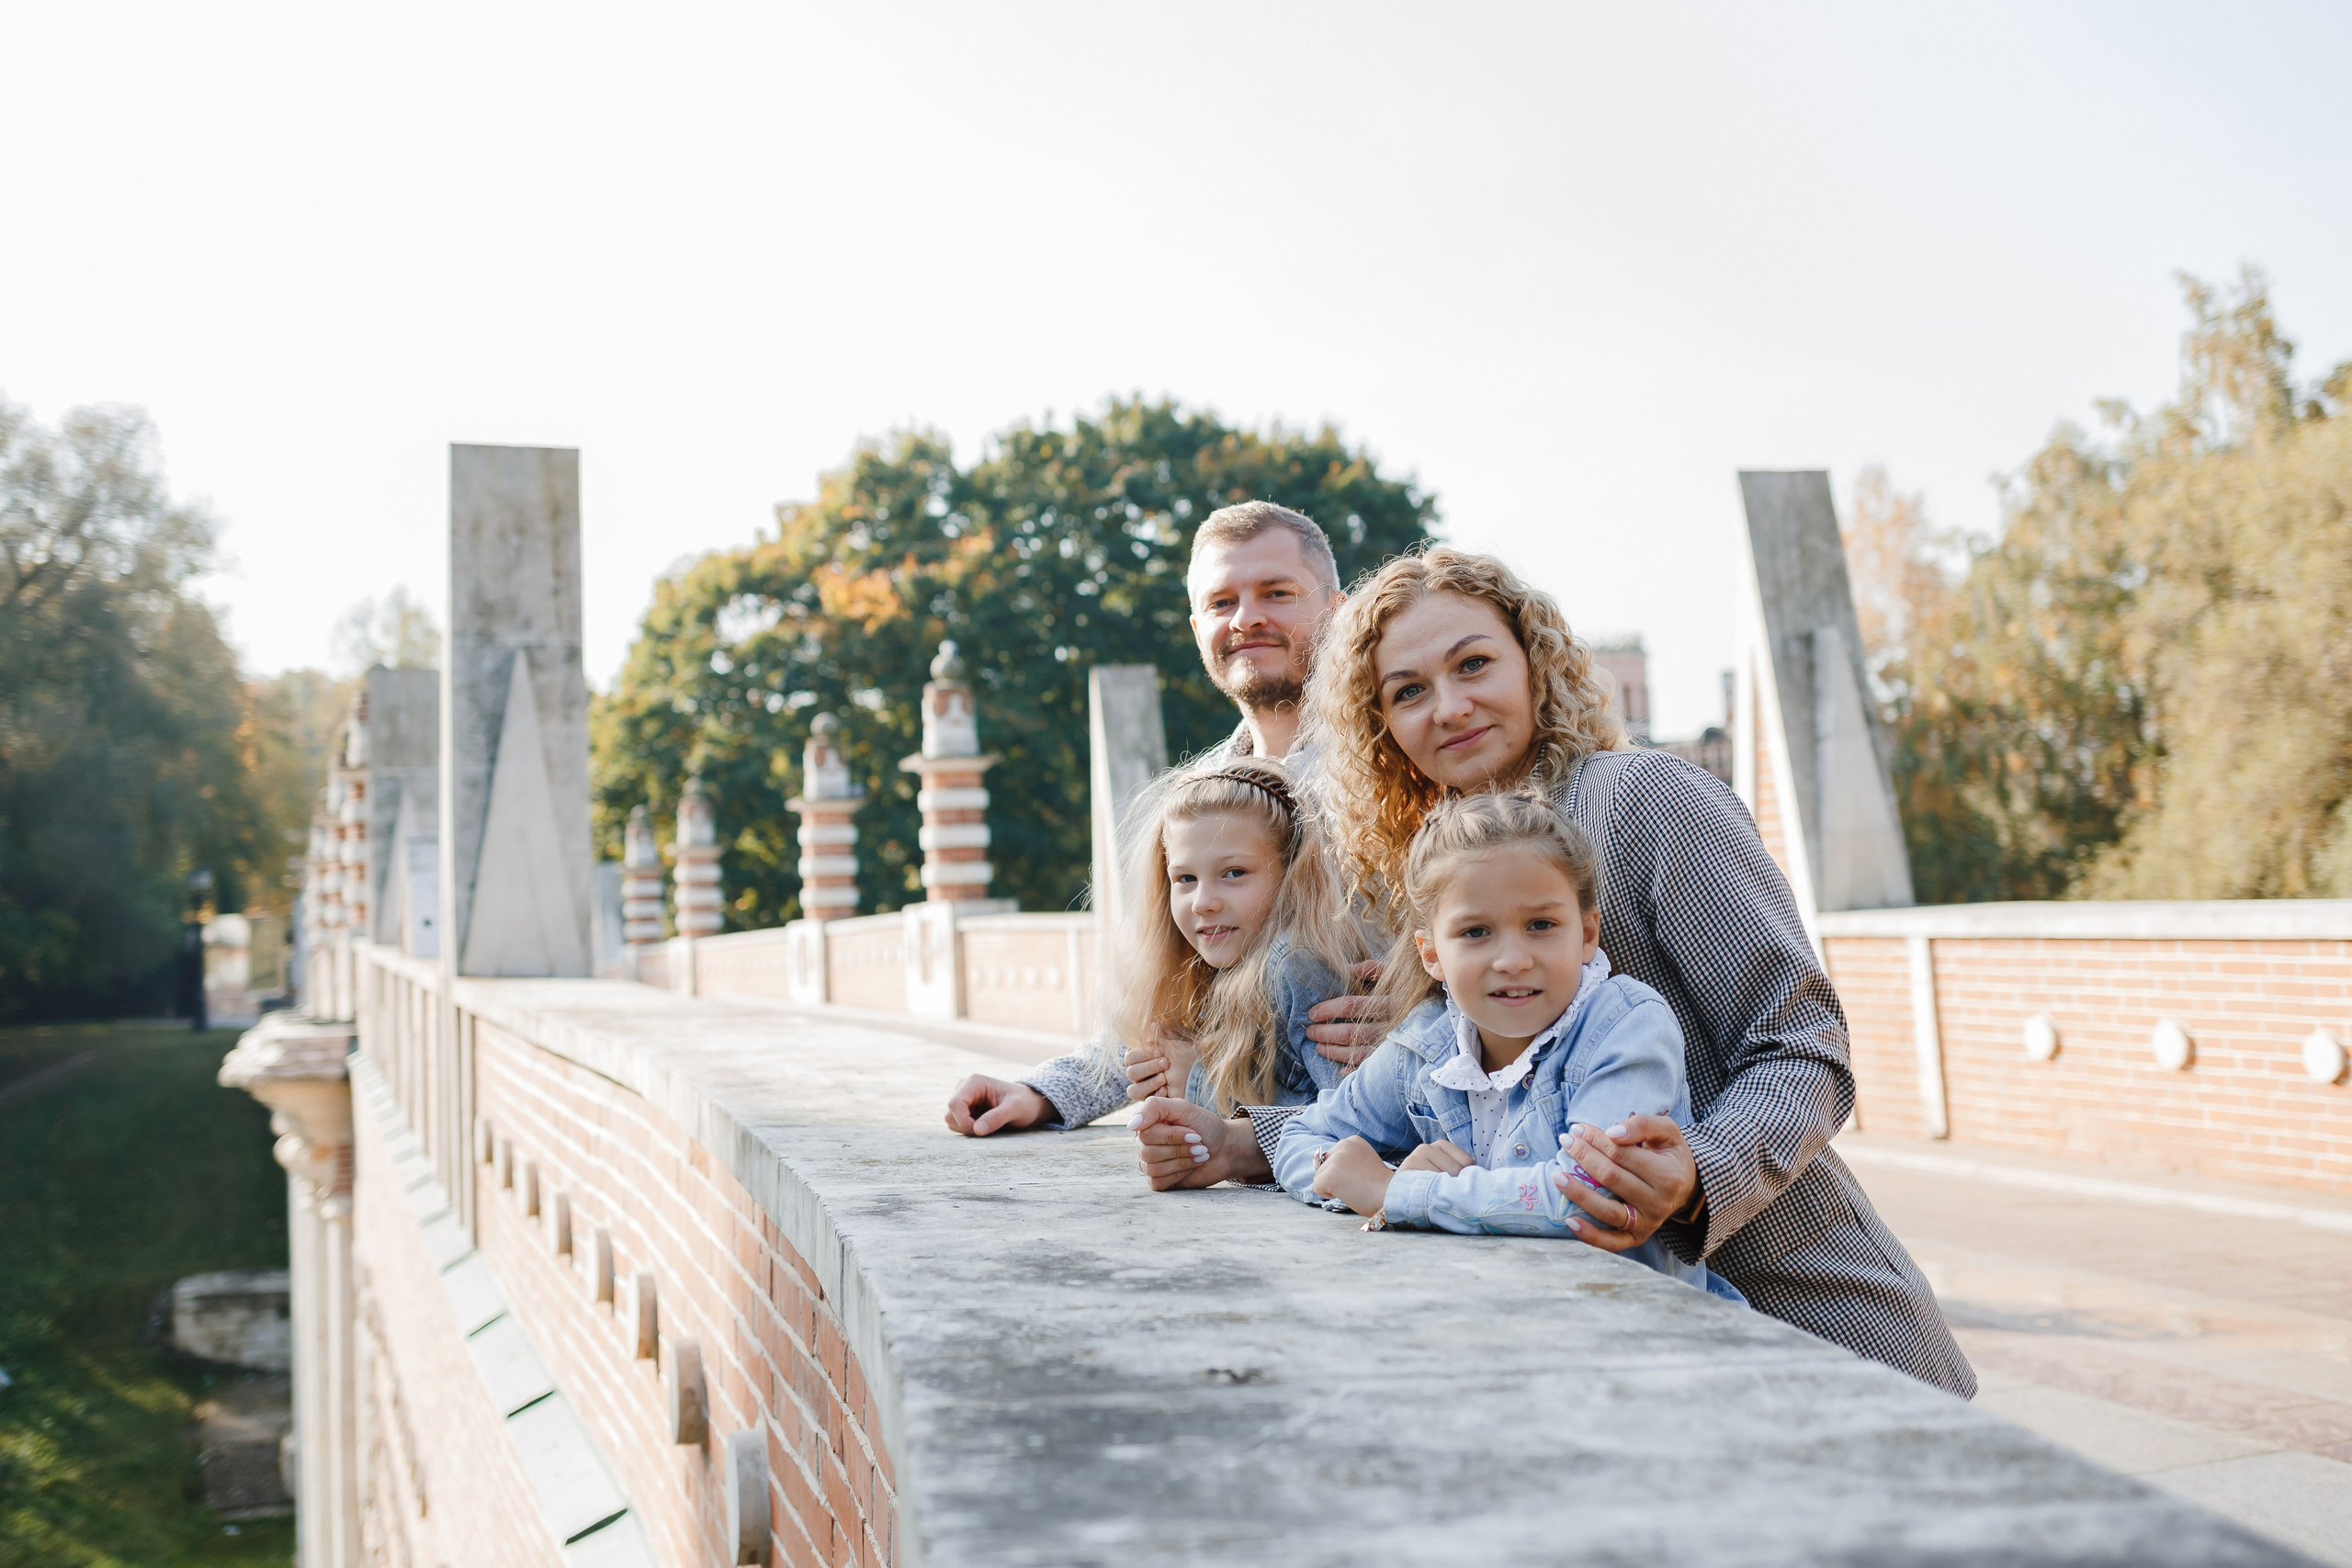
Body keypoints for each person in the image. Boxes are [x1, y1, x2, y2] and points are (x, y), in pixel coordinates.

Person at [1148, 545, 1973, 1394]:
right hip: (1601, 1363)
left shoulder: (1649, 799)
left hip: (1804, 1321)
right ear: (1379, 724)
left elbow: (1803, 1044)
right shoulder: (1427, 874)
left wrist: (1696, 1170)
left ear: (1535, 666)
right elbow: (1418, 1114)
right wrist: (1240, 1143)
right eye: (1408, 691)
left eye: (1474, 664)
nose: (1451, 706)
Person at [944, 501, 1346, 1139]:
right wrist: (1043, 1092)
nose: (1247, 618)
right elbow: (1164, 1001)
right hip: (1237, 1131)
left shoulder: (1393, 772)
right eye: (1221, 603)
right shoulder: (1196, 791)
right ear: (1196, 628)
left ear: (1337, 607)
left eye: (1277, 592)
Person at [1273, 789, 1745, 1304]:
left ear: (1587, 934)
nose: (1513, 960)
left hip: (1634, 1337)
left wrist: (1398, 1194)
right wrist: (1353, 1176)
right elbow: (1301, 1135)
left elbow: (1586, 1196)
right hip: (1491, 1332)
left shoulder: (1627, 1026)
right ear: (1432, 954)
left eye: (1541, 925)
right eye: (1476, 932)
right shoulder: (1427, 1045)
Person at [943, 756, 1373, 1149]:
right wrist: (1037, 1095)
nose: (1203, 901)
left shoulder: (1298, 967)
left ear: (1293, 872)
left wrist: (1197, 1087)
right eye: (1184, 878)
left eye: (1235, 873)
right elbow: (1133, 1051)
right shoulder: (1208, 964)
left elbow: (1354, 1124)